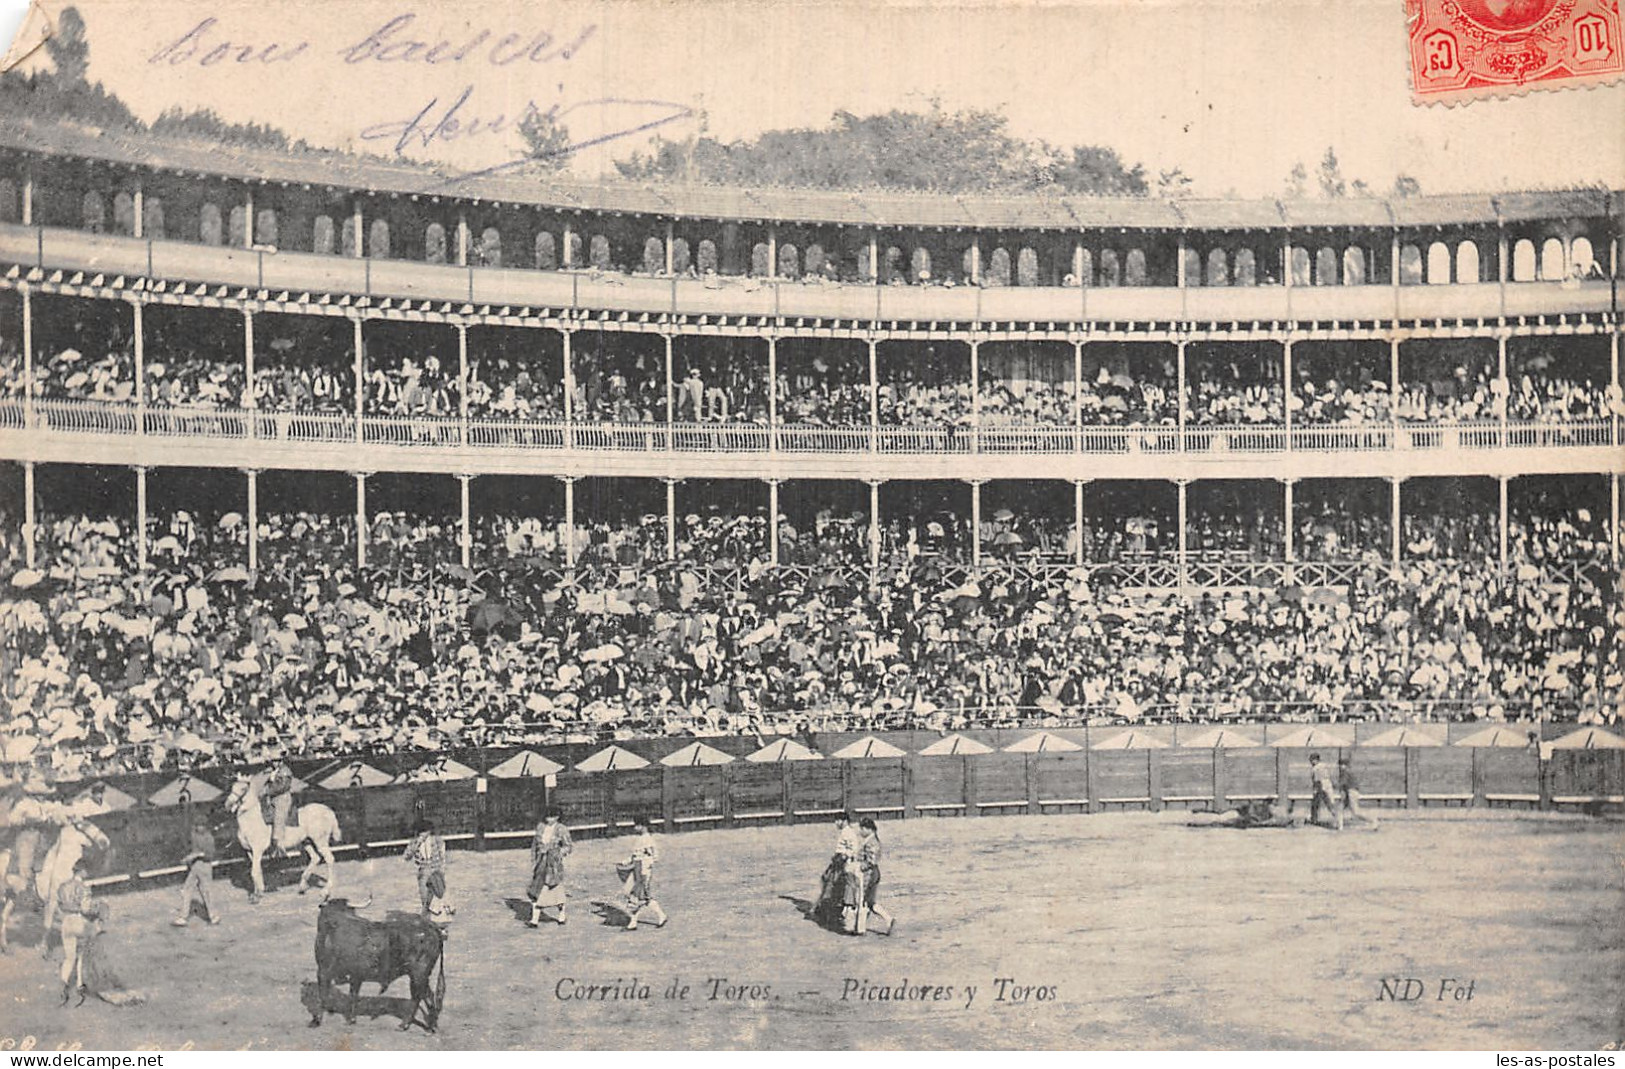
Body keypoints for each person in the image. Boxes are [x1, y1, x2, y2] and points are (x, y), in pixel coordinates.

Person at [815, 813, 863, 933]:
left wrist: (843, 857)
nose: (836, 823)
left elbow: (853, 850)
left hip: (844, 864)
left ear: (844, 821)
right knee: (831, 886)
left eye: (838, 820)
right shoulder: (846, 832)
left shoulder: (848, 832)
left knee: (834, 887)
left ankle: (835, 915)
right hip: (840, 863)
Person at [617, 817, 667, 931]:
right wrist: (625, 861)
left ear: (643, 826)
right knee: (632, 894)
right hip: (637, 870)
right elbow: (635, 855)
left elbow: (654, 857)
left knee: (642, 896)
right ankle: (634, 922)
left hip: (643, 871)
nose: (635, 828)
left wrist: (645, 872)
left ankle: (660, 916)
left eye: (637, 825)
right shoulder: (641, 839)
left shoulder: (648, 840)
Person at [526, 809, 573, 927]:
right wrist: (534, 861)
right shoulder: (541, 827)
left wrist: (558, 854)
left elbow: (568, 846)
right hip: (541, 863)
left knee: (555, 889)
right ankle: (534, 920)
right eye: (548, 817)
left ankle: (561, 915)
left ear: (557, 817)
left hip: (554, 865)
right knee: (537, 889)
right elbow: (534, 846)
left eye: (553, 817)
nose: (550, 819)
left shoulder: (561, 828)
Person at [55, 858, 92, 1004]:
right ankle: (79, 985)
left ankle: (63, 983)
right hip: (79, 921)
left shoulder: (63, 887)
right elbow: (85, 909)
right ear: (81, 872)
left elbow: (58, 907)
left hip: (66, 922)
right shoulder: (85, 888)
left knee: (69, 957)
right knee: (81, 955)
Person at [172, 814, 219, 927]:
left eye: (201, 825)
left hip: (204, 866)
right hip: (195, 867)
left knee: (206, 892)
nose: (199, 828)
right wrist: (189, 858)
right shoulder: (194, 835)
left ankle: (213, 916)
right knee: (187, 889)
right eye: (197, 825)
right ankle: (183, 917)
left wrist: (195, 855)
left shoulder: (209, 838)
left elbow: (210, 855)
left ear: (205, 826)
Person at [857, 818, 894, 936]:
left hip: (869, 873)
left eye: (862, 829)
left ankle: (860, 929)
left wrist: (859, 866)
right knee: (870, 902)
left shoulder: (871, 842)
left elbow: (871, 861)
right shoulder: (872, 840)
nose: (860, 832)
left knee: (862, 900)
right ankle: (888, 919)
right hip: (874, 872)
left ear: (868, 829)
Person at [403, 817, 446, 914]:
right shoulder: (414, 842)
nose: (423, 833)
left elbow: (443, 856)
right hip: (423, 872)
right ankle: (427, 921)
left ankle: (438, 923)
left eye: (425, 831)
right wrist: (417, 843)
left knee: (438, 897)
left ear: (430, 831)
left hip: (435, 871)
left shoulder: (437, 840)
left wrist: (442, 871)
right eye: (420, 831)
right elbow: (406, 856)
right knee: (425, 899)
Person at [262, 759, 295, 856]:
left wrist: (268, 791)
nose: (274, 763)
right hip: (272, 797)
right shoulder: (273, 771)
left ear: (281, 761)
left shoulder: (285, 771)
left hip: (282, 798)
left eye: (276, 761)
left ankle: (279, 844)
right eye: (273, 761)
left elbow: (282, 787)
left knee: (279, 817)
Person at [1338, 756, 1379, 830]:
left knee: (1355, 812)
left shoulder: (1346, 772)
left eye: (1342, 765)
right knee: (1340, 808)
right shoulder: (1347, 771)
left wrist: (1334, 785)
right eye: (1340, 765)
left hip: (1351, 792)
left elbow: (1342, 783)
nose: (1340, 766)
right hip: (1349, 792)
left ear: (1346, 765)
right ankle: (1339, 827)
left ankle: (1373, 820)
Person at [1309, 753, 1341, 830]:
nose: (1311, 762)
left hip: (1322, 787)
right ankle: (1337, 820)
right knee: (1327, 804)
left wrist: (1316, 790)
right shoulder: (1324, 766)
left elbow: (1318, 780)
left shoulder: (1316, 768)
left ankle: (1338, 820)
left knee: (1327, 804)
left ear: (1316, 760)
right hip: (1327, 785)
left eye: (1312, 760)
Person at [424, 870, 454, 936]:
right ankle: (443, 931)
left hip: (436, 919)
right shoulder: (446, 894)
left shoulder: (434, 896)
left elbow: (433, 908)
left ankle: (438, 933)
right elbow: (451, 906)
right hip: (446, 918)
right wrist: (451, 910)